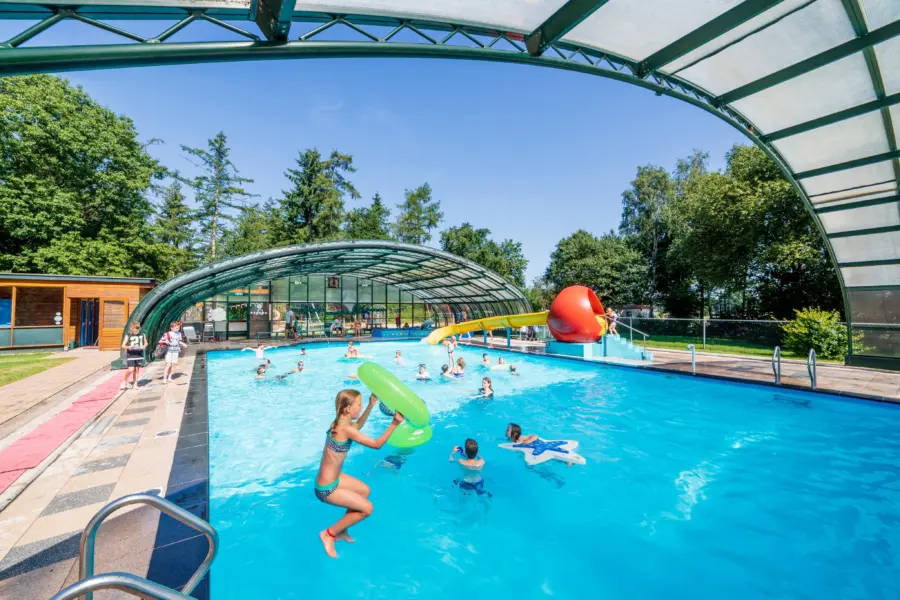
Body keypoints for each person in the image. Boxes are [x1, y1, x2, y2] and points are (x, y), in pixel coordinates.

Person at [315, 390, 404, 558]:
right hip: (326, 488)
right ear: (348, 408)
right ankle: (329, 534)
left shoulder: (340, 423)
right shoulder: (344, 428)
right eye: (359, 405)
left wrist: (370, 406)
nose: (360, 407)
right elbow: (376, 444)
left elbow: (356, 427)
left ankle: (342, 529)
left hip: (332, 478)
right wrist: (394, 424)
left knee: (364, 491)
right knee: (367, 509)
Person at [121, 322, 146, 389]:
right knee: (131, 369)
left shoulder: (142, 335)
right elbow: (123, 345)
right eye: (134, 331)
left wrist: (144, 346)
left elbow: (146, 343)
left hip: (139, 354)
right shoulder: (128, 335)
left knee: (137, 370)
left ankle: (135, 384)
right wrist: (128, 347)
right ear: (131, 329)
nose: (135, 332)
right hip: (131, 354)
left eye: (136, 331)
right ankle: (124, 380)